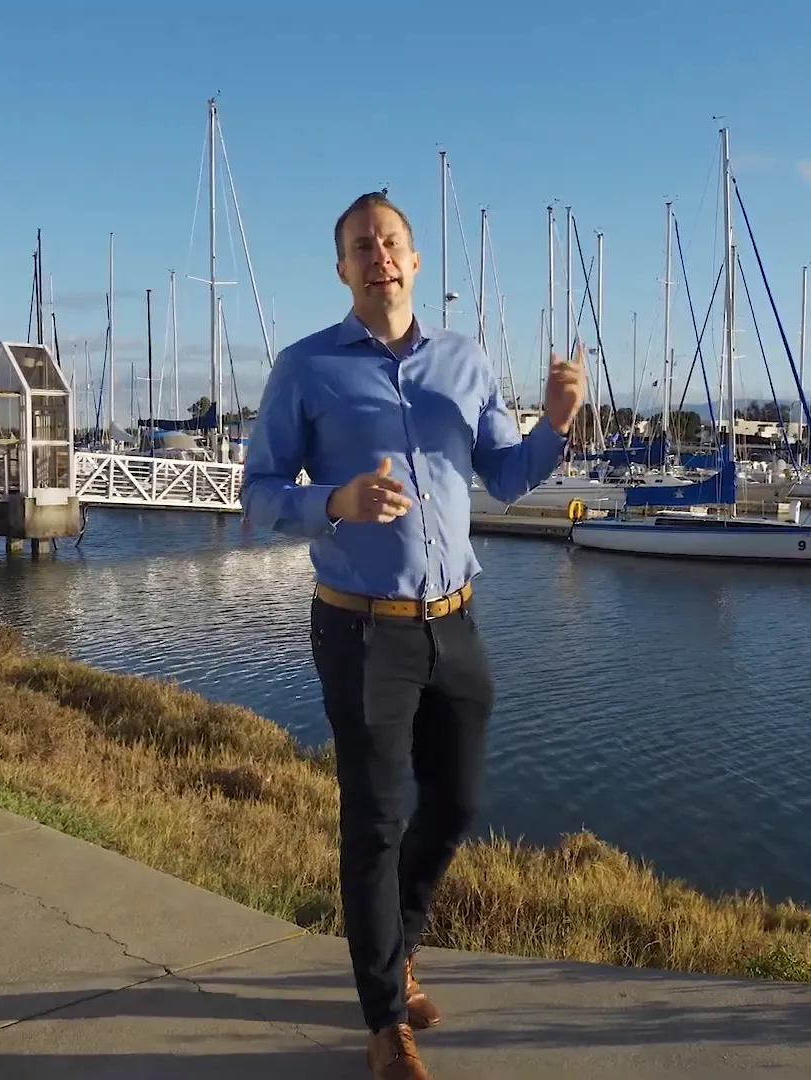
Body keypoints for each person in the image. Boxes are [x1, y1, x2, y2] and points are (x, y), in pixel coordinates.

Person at [241, 190, 586, 1079]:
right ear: (343, 266)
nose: (380, 257)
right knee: (377, 817)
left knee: (459, 800)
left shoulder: (463, 363)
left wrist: (555, 424)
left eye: (391, 242)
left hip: (454, 621)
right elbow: (258, 491)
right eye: (362, 246)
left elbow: (506, 478)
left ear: (416, 259)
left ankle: (401, 946)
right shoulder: (306, 368)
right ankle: (384, 1019)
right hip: (360, 631)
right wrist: (334, 503)